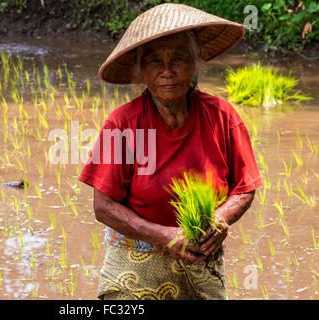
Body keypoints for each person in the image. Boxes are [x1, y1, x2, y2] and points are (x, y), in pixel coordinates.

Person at [78, 3, 262, 300]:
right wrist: (163, 235)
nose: (167, 71)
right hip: (134, 267)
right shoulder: (122, 124)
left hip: (202, 261)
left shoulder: (222, 116)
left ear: (195, 62)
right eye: (154, 62)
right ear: (140, 70)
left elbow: (245, 188)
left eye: (178, 59)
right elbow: (104, 207)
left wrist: (221, 218)